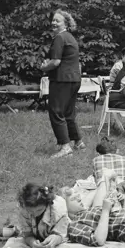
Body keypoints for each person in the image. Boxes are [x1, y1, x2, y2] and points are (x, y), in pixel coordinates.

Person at [41, 9, 85, 158]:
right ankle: (78, 142)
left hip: (62, 80)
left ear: (65, 23)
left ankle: (65, 147)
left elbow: (56, 62)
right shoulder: (70, 37)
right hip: (74, 79)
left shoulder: (60, 38)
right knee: (68, 113)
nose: (53, 22)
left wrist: (44, 67)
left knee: (56, 112)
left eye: (57, 20)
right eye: (53, 20)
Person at [17, 182, 70, 248]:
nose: (35, 214)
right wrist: (32, 242)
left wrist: (56, 238)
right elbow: (27, 234)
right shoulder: (23, 209)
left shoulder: (58, 208)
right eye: (31, 211)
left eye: (39, 210)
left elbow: (62, 231)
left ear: (47, 204)